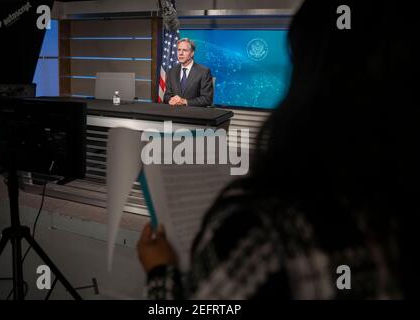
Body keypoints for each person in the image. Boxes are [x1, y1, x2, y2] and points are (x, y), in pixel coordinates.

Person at [137, 1, 419, 299]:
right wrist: (173, 101)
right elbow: (167, 95)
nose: (179, 53)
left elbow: (206, 100)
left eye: (183, 50)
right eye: (177, 50)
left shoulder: (262, 233)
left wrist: (160, 271)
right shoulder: (392, 219)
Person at [163, 38, 214, 107]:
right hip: (174, 114)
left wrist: (185, 102)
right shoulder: (172, 71)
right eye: (179, 50)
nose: (180, 53)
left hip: (193, 115)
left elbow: (207, 99)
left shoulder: (203, 72)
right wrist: (172, 100)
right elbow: (166, 96)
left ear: (192, 53)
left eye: (184, 50)